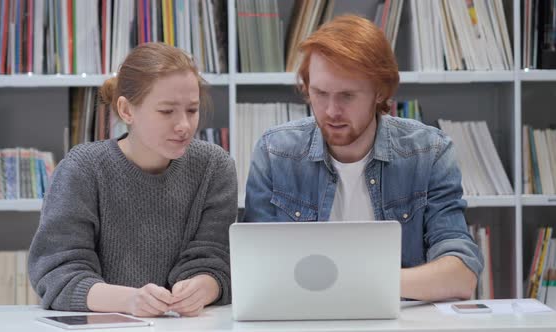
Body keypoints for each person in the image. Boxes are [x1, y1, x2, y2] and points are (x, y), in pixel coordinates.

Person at [243, 15, 483, 301]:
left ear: (379, 91)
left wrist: (354, 281)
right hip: (305, 318)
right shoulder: (275, 152)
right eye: (319, 93)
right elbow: (255, 270)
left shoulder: (429, 152)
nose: (331, 111)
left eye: (347, 96)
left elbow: (460, 275)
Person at [28, 42, 238, 317]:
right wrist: (129, 301)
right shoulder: (83, 169)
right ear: (127, 110)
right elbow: (57, 274)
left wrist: (205, 285)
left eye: (192, 110)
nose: (184, 125)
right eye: (166, 111)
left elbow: (216, 260)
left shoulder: (215, 166)